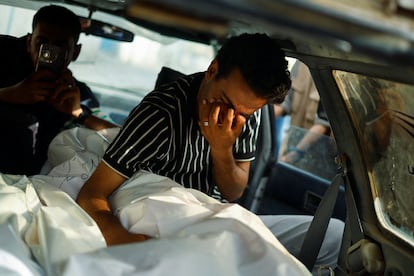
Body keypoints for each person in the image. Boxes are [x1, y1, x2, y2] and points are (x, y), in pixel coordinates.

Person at [77, 33, 344, 273]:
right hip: (169, 217)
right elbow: (92, 193)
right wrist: (122, 239)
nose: (230, 117)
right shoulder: (161, 114)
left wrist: (221, 148)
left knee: (335, 234)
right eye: (225, 103)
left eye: (243, 113)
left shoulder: (245, 114)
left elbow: (234, 192)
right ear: (212, 70)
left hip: (219, 215)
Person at [0, 5, 117, 175]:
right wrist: (7, 95)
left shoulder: (77, 94)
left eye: (59, 47)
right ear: (28, 42)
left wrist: (79, 113)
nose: (48, 53)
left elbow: (118, 137)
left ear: (75, 52)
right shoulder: (4, 58)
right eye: (42, 43)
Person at [273, 60, 331, 163]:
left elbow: (324, 123)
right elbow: (284, 103)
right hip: (289, 149)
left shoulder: (332, 72)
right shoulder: (301, 63)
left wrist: (297, 152)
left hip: (315, 160)